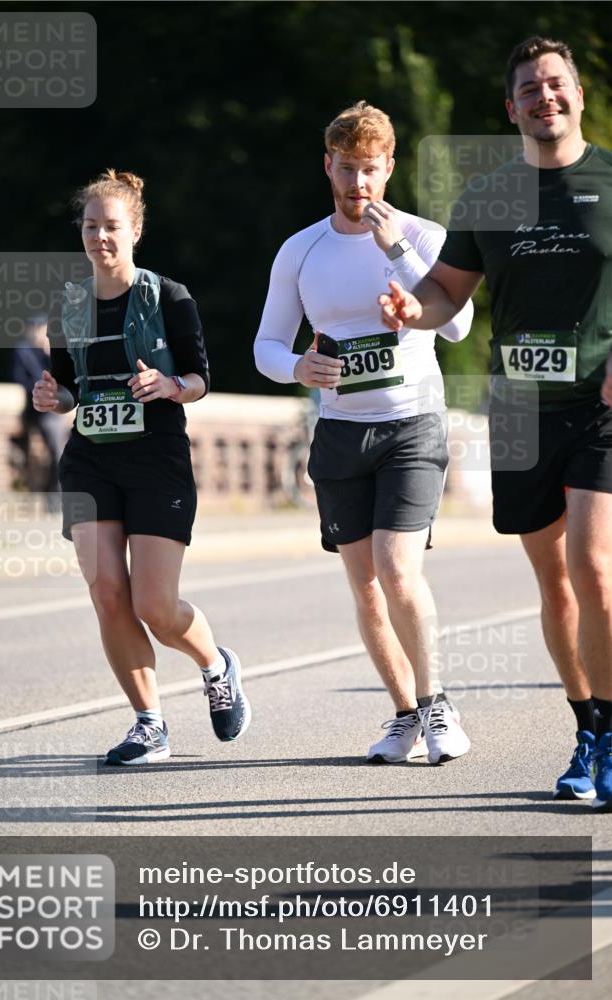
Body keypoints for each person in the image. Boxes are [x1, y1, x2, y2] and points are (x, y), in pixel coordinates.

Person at [379, 37, 612, 810]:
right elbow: (447, 291)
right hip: (516, 411)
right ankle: (586, 729)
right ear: (510, 108)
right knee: (556, 585)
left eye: (555, 84)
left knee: (594, 568)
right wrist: (417, 309)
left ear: (576, 94)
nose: (543, 97)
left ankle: (610, 736)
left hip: (598, 407)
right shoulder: (487, 196)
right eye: (528, 88)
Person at [254, 102, 474, 766]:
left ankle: (437, 708)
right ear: (328, 165)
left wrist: (399, 260)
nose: (358, 186)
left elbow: (457, 327)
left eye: (370, 171)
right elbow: (265, 343)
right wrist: (298, 365)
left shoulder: (422, 236)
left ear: (389, 168)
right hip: (340, 435)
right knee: (365, 586)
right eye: (346, 170)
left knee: (395, 568)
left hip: (411, 425)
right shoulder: (300, 250)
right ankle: (403, 715)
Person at [33, 169, 251, 765]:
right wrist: (57, 398)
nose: (100, 237)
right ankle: (148, 724)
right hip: (90, 464)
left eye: (111, 226)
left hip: (156, 459)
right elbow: (72, 388)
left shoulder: (169, 297)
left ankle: (215, 663)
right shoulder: (69, 307)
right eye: (90, 226)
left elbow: (202, 379)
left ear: (135, 231)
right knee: (107, 593)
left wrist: (169, 383)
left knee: (155, 605)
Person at [11, 314, 67, 498]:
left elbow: (64, 378)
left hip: (57, 409)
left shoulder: (49, 351)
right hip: (38, 411)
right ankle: (55, 494)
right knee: (56, 447)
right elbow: (21, 379)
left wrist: (50, 352)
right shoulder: (23, 350)